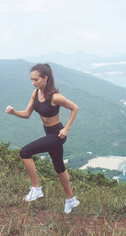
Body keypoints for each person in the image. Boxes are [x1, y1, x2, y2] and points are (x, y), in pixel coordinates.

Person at [5, 63, 80, 214]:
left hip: (57, 134)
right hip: (49, 133)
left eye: (36, 80)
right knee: (59, 168)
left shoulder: (55, 97)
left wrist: (66, 129)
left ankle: (36, 188)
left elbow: (74, 108)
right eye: (32, 80)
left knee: (25, 152)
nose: (33, 83)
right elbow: (27, 114)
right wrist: (13, 112)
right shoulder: (35, 93)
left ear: (45, 78)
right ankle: (71, 200)